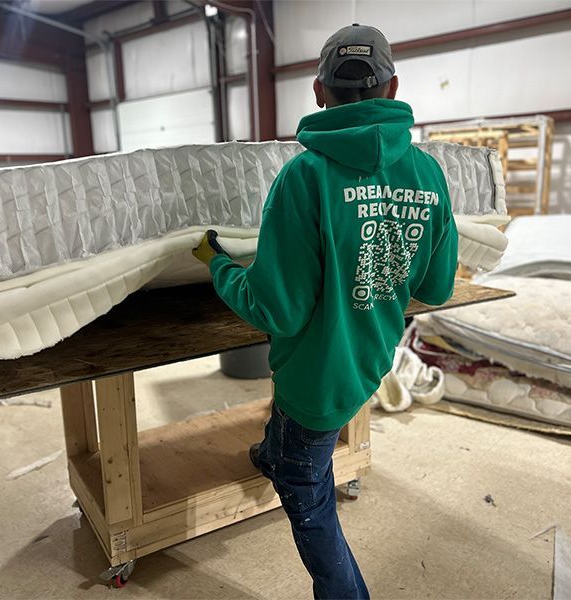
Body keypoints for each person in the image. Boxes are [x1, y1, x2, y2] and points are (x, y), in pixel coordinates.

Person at [192, 24, 458, 600]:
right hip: (366, 359)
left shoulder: (305, 175)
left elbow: (277, 311)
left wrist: (217, 264)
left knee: (308, 498)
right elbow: (437, 287)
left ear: (318, 93)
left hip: (314, 379)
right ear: (392, 88)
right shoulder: (428, 174)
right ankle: (273, 454)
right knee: (289, 437)